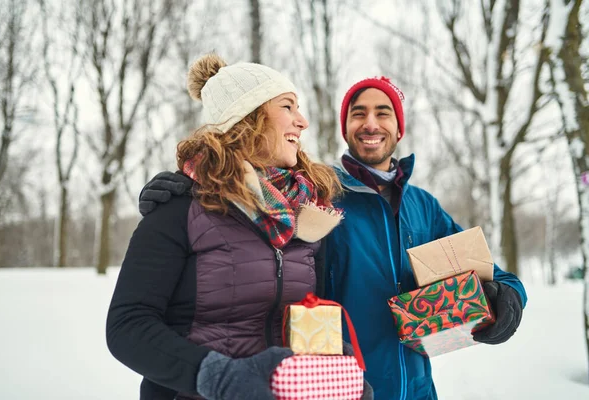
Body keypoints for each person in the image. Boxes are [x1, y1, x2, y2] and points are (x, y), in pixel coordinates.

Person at [139, 76, 527, 400]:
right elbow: (249, 199)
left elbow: (487, 273)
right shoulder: (313, 196)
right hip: (342, 386)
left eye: (383, 112)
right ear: (345, 128)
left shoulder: (423, 206)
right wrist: (190, 184)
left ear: (399, 127)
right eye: (359, 114)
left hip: (418, 390)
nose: (370, 123)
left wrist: (508, 297)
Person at [106, 53, 375, 400]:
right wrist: (220, 378)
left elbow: (309, 312)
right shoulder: (179, 209)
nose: (303, 121)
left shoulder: (304, 217)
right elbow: (128, 327)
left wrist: (342, 371)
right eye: (288, 107)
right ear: (249, 117)